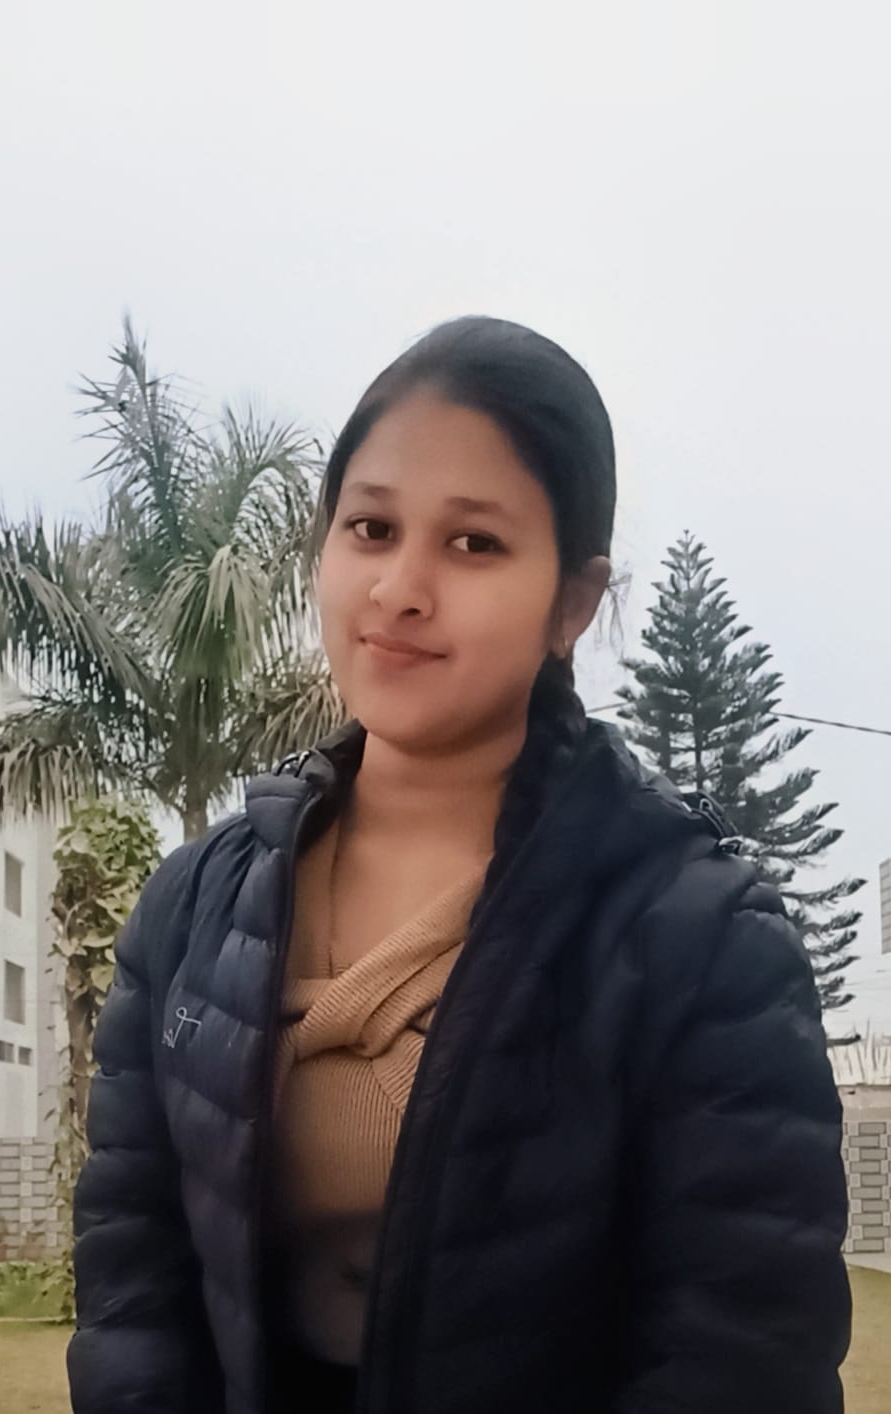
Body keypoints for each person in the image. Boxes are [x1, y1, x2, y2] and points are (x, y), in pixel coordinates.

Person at [66, 316, 850, 1414]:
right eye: (371, 528)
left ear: (573, 603)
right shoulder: (194, 907)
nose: (401, 586)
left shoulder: (696, 933)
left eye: (474, 543)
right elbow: (133, 1285)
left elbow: (742, 1348)